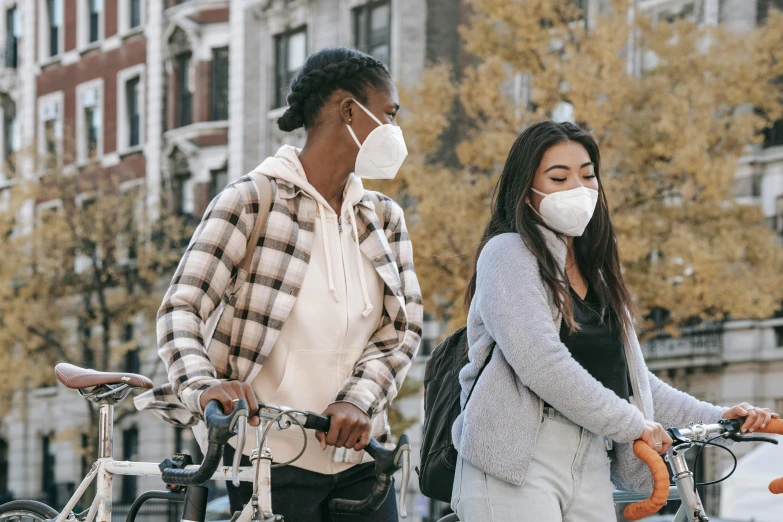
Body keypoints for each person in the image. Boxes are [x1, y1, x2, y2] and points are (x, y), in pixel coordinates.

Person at [136, 47, 422, 522]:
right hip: (266, 461)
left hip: (362, 461)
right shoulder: (252, 201)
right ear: (349, 110)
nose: (395, 131)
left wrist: (358, 400)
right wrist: (204, 386)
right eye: (389, 115)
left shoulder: (384, 217)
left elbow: (402, 330)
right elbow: (181, 308)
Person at [450, 121, 777, 522]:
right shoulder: (508, 253)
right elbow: (541, 362)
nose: (579, 188)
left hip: (590, 456)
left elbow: (636, 384)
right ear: (526, 190)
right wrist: (632, 424)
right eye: (559, 177)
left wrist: (717, 416)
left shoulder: (599, 275)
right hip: (514, 457)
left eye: (588, 175)